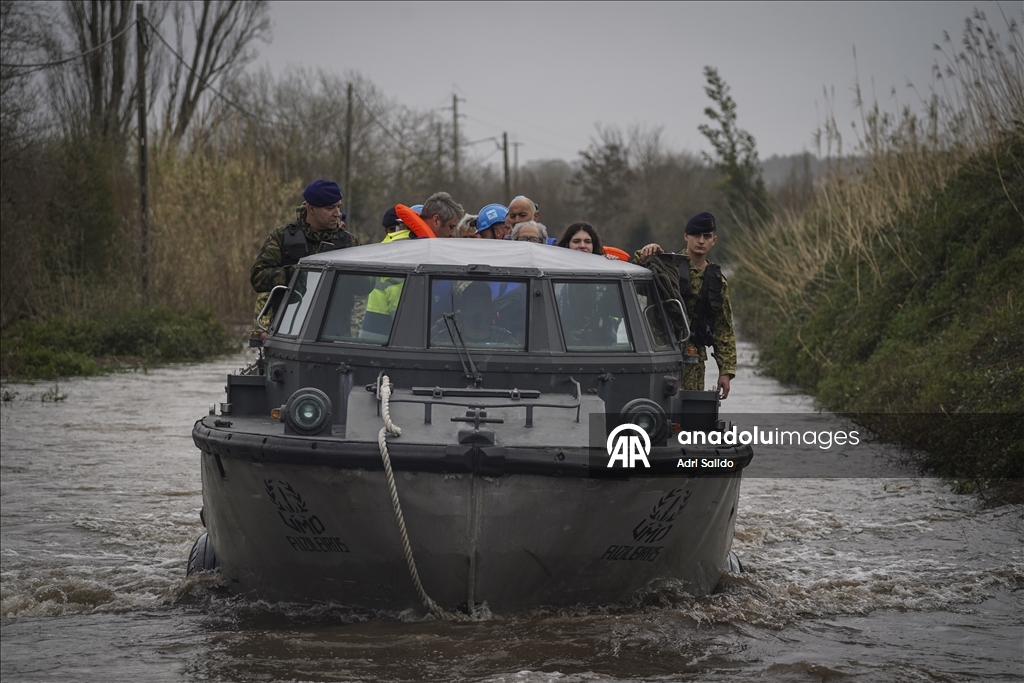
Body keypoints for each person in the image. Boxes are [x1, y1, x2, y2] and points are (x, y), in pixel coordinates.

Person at [635, 212, 736, 398]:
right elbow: (634, 279)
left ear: (714, 240)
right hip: (660, 351)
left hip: (694, 358)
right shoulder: (666, 265)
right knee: (655, 403)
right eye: (696, 235)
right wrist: (644, 256)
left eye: (707, 236)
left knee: (690, 409)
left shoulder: (717, 280)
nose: (701, 241)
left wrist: (726, 371)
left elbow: (724, 328)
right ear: (686, 236)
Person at [251, 179, 359, 325]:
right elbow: (258, 277)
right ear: (311, 209)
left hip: (334, 331)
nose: (337, 214)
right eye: (330, 208)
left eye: (339, 207)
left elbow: (366, 286)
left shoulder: (349, 243)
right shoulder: (283, 237)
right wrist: (297, 272)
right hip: (288, 328)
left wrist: (342, 275)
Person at [430, 280, 521, 347]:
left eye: (485, 304)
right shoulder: (444, 340)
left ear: (490, 309)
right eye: (474, 303)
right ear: (464, 308)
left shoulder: (506, 341)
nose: (479, 310)